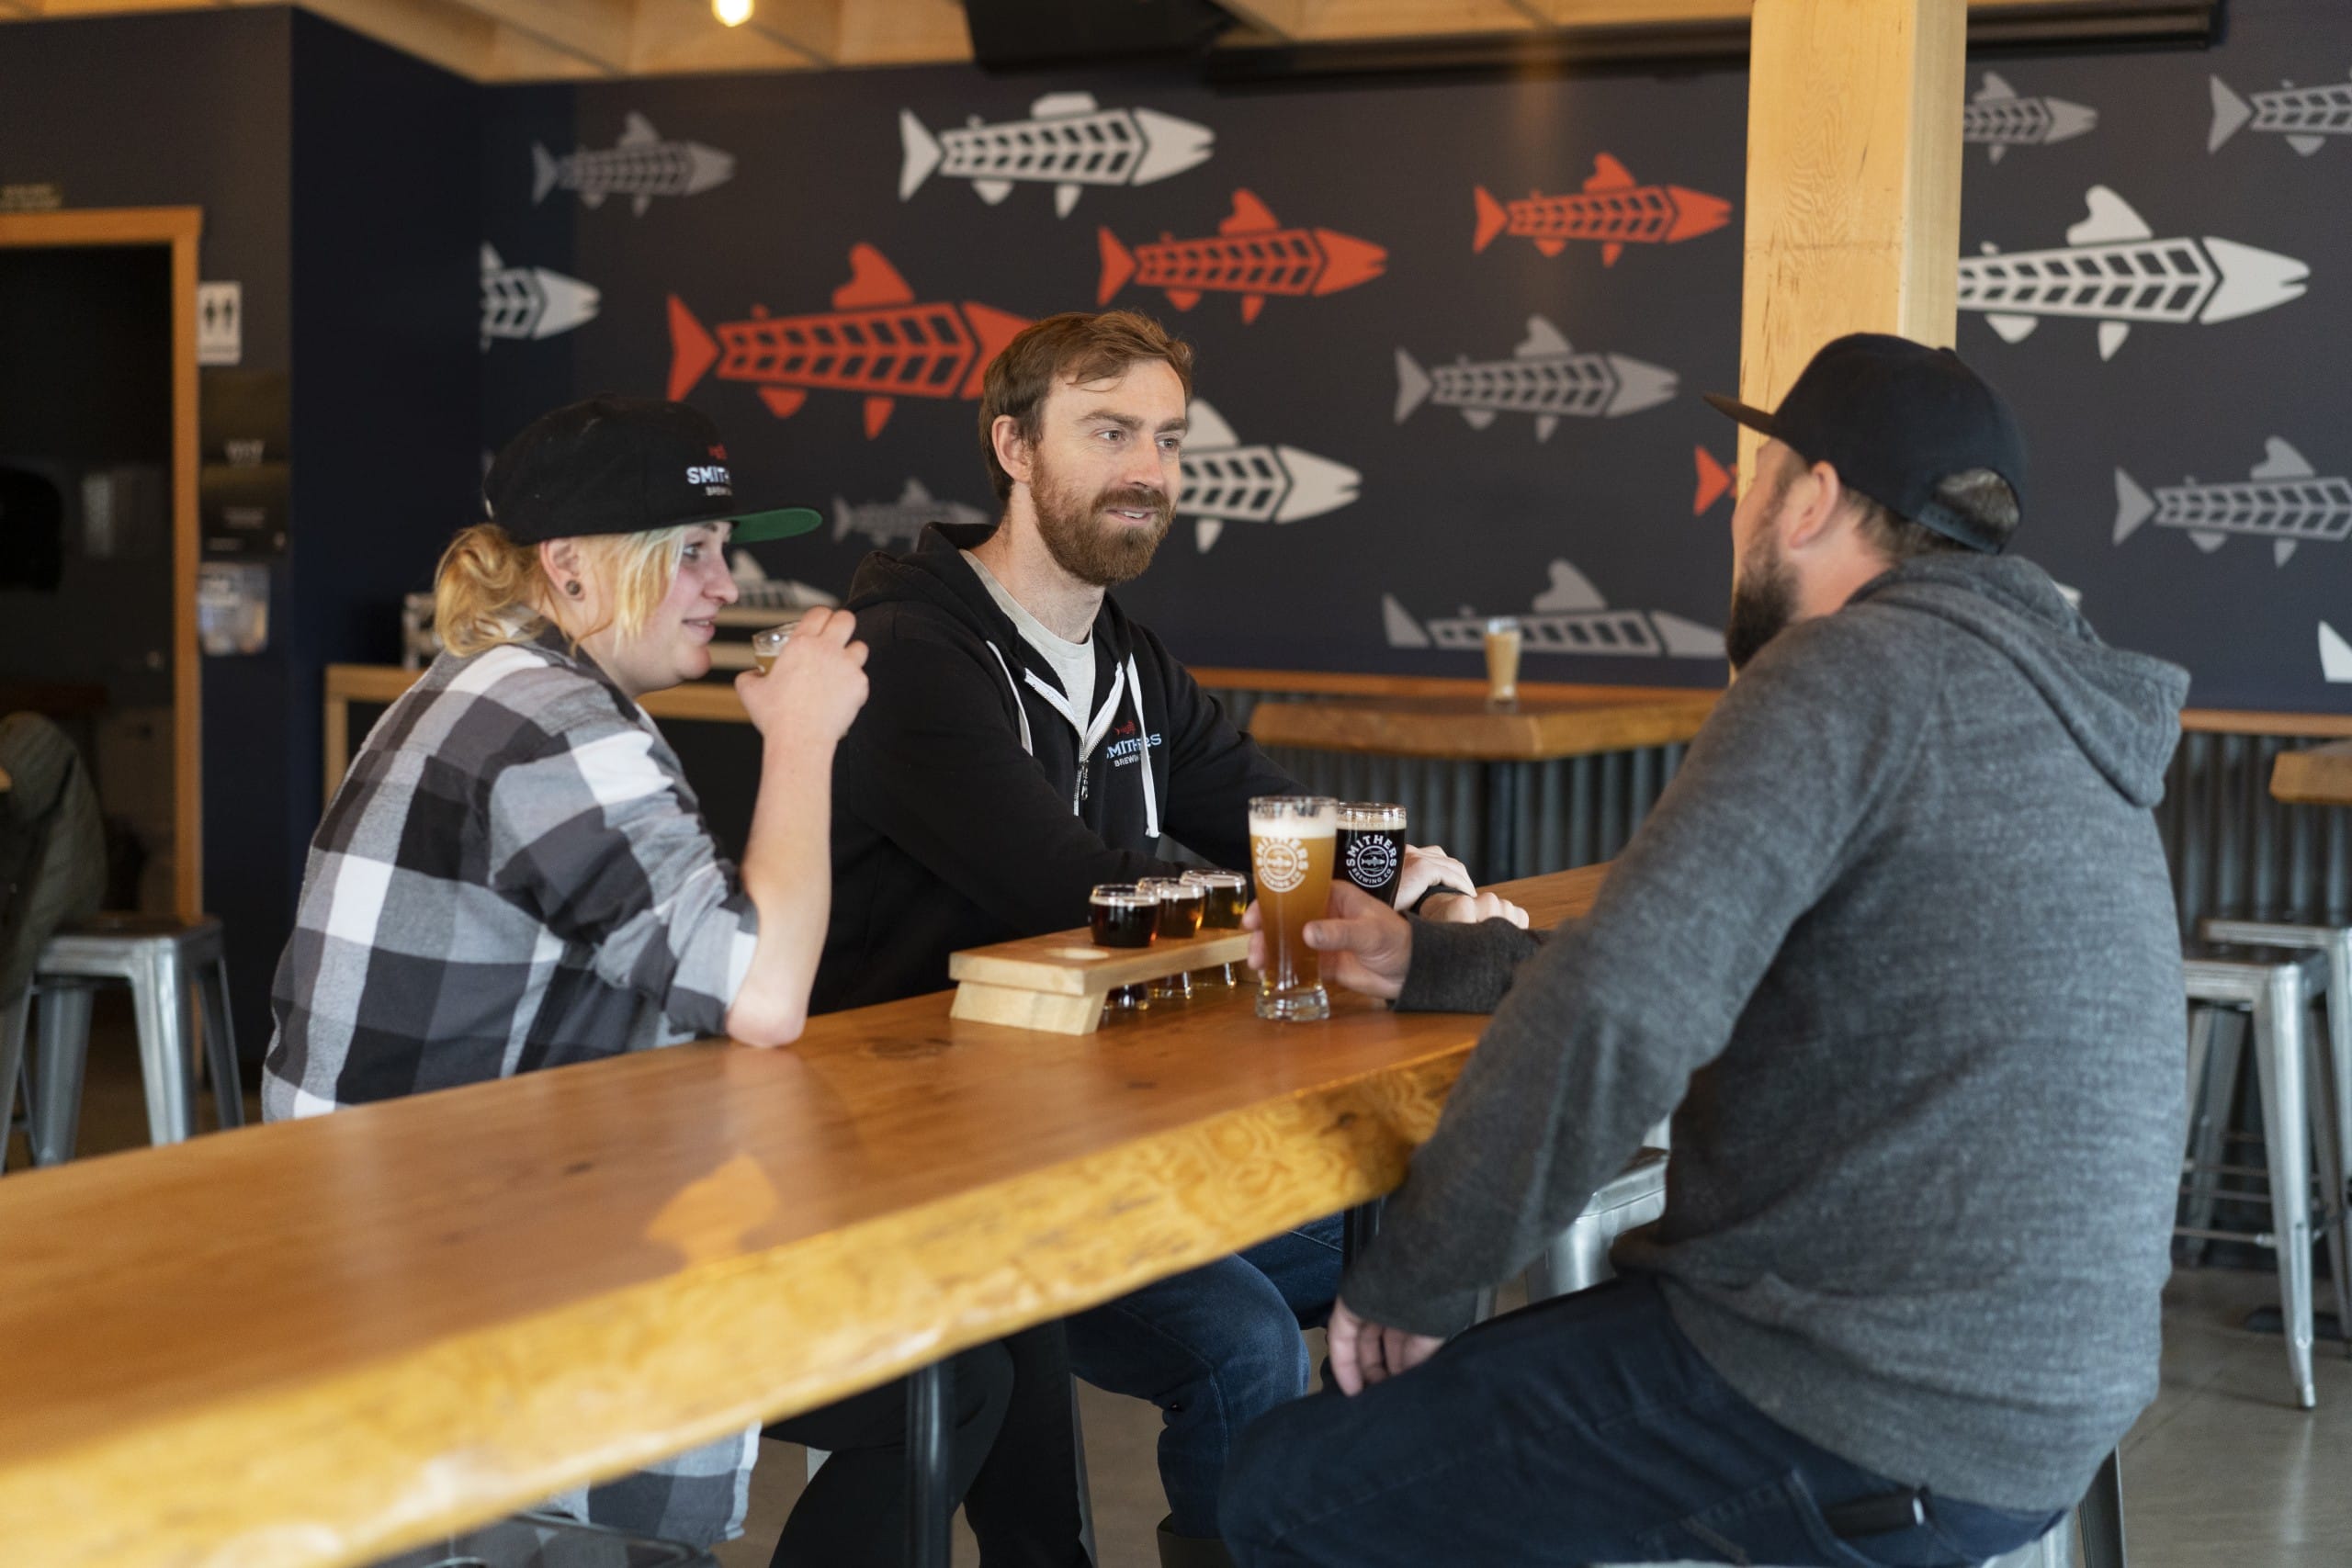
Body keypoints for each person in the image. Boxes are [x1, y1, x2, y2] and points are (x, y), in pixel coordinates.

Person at [1218, 334, 2191, 1568]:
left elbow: (1619, 1005)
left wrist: (1420, 1273)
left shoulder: (1846, 668)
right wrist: (1431, 964)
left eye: (1750, 482)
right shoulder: (2042, 698)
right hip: (2039, 1407)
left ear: (1813, 499)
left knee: (1282, 1491)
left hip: (1853, 1394)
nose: (1733, 515)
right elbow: (1706, 971)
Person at [260, 394, 1021, 1566]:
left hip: (403, 1244)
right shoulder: (555, 722)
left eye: (723, 548)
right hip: (471, 1293)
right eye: (690, 553)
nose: (726, 582)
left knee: (950, 1369)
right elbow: (759, 993)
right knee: (945, 1371)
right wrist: (804, 737)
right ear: (570, 567)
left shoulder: (493, 686)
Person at [815, 310, 1521, 1566]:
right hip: (935, 1169)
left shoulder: (1127, 663)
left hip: (1103, 1136)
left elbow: (1277, 816)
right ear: (1014, 447)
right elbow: (1073, 889)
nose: (1149, 469)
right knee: (1240, 1342)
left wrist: (1417, 891)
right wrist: (1305, 906)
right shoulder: (910, 655)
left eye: (1169, 439)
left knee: (1418, 1243)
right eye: (1108, 432)